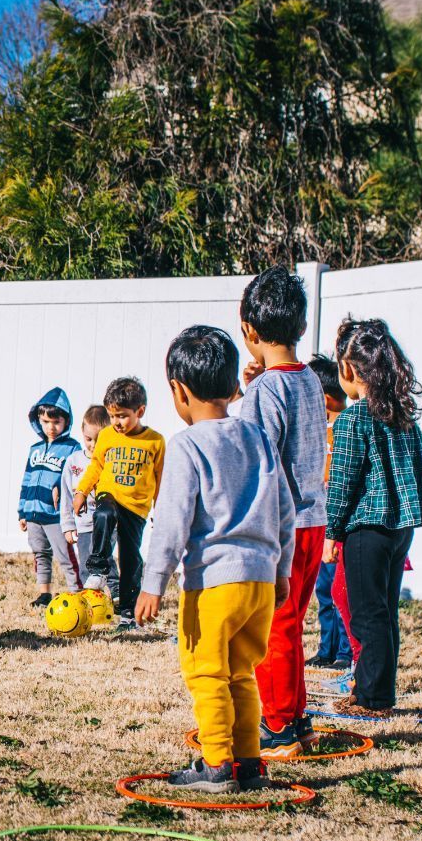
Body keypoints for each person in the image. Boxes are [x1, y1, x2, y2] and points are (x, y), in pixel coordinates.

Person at [137, 326, 294, 793]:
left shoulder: (186, 445)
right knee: (242, 673)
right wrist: (281, 570)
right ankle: (248, 761)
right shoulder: (259, 437)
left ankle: (217, 763)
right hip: (260, 584)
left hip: (213, 585)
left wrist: (153, 581)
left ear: (178, 391)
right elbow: (284, 508)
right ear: (233, 387)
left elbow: (172, 519)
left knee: (206, 672)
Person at [324, 317, 422, 718]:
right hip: (399, 530)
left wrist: (331, 532)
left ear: (350, 370)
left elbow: (342, 482)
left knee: (365, 614)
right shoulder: (401, 416)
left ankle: (373, 699)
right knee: (385, 612)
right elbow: (418, 474)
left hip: (366, 530)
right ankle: (377, 691)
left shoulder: (354, 419)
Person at [236, 266, 327, 757]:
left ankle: (278, 726)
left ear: (249, 331)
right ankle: (296, 718)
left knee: (272, 626)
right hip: (314, 521)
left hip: (282, 527)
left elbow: (256, 459)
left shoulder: (265, 392)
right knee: (291, 622)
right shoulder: (310, 379)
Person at [73, 377, 165, 626]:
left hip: (136, 507)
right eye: (112, 416)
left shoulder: (155, 441)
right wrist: (82, 491)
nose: (117, 423)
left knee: (130, 557)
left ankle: (127, 612)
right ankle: (98, 568)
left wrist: (161, 509)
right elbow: (96, 466)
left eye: (122, 416)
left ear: (140, 411)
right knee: (103, 515)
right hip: (109, 495)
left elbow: (160, 477)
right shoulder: (106, 436)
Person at [306, 354, 353, 670]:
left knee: (341, 592)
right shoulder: (317, 427)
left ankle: (345, 652)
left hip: (342, 524)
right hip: (322, 521)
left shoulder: (348, 425)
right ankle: (326, 649)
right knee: (323, 589)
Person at [19, 388, 83, 606]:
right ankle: (45, 593)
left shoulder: (72, 447)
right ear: (38, 420)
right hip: (34, 512)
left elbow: (74, 475)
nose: (51, 427)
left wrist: (57, 486)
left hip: (56, 514)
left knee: (65, 556)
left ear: (66, 421)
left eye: (56, 422)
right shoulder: (35, 449)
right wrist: (23, 511)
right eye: (45, 422)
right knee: (40, 554)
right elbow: (27, 480)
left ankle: (77, 593)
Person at [60, 405, 116, 592]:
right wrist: (68, 525)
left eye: (99, 440)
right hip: (84, 525)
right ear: (82, 432)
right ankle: (91, 600)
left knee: (105, 560)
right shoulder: (73, 462)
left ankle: (116, 593)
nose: (93, 445)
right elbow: (67, 496)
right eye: (88, 439)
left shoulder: (111, 461)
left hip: (107, 525)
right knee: (86, 564)